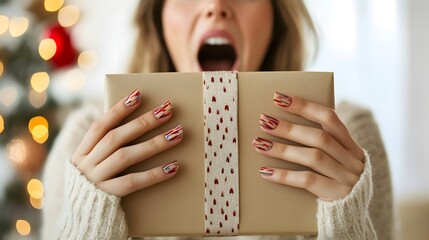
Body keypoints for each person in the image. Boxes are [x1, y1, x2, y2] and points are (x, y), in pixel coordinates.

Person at [42, 0, 393, 239]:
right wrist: (90, 220)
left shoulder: (348, 139)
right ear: (158, 16)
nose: (215, 6)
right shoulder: (86, 145)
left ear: (276, 13)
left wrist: (347, 222)